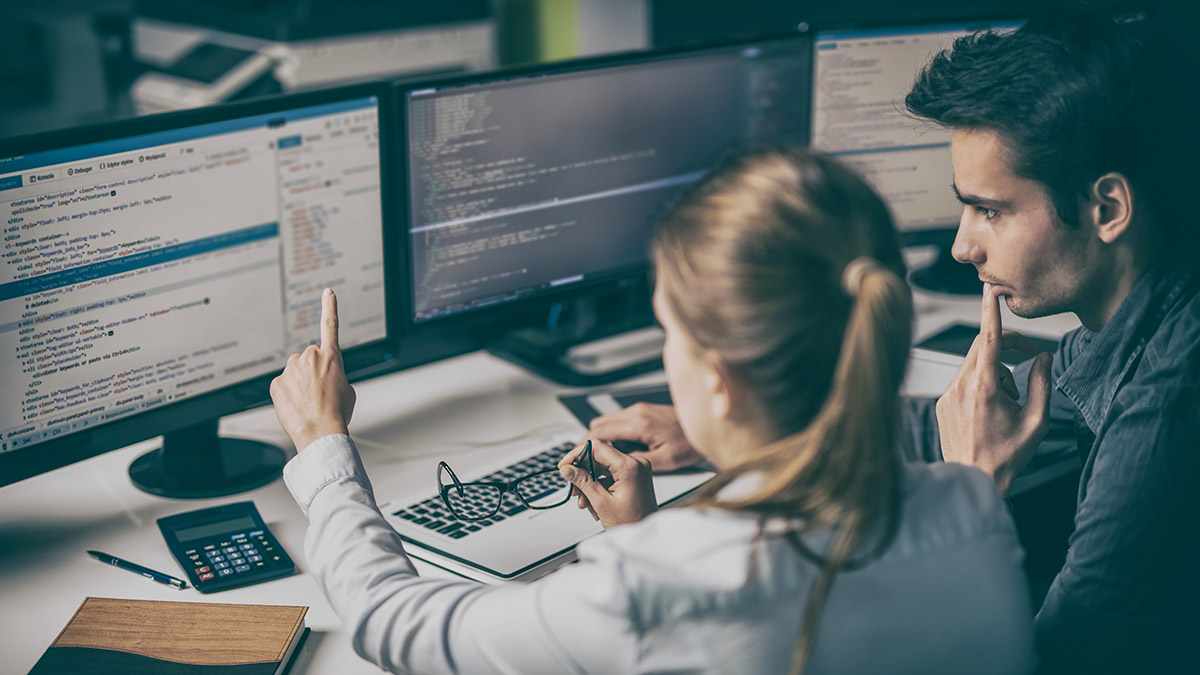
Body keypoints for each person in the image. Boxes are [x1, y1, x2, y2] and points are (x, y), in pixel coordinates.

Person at [596, 6, 1200, 673]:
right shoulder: (1135, 315)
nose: (961, 244)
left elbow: (1052, 660)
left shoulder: (1168, 402)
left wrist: (973, 490)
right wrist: (747, 424)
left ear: (1107, 209)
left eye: (990, 210)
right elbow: (959, 420)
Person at [270, 148, 1033, 674]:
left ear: (722, 381)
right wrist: (641, 538)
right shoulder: (973, 500)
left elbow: (394, 624)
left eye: (671, 330)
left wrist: (322, 442)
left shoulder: (656, 584)